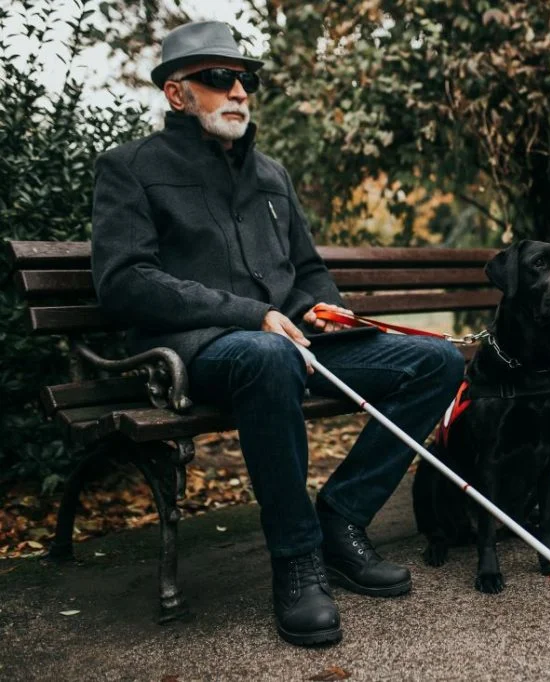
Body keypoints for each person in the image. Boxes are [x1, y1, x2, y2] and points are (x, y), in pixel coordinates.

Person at [90, 21, 465, 646]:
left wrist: (324, 309)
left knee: (436, 361)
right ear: (177, 94)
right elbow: (126, 281)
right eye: (218, 78)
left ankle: (341, 520)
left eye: (246, 79)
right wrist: (248, 314)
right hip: (199, 352)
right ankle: (297, 560)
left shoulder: (271, 175)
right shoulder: (130, 168)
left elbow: (309, 270)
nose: (238, 90)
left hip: (292, 343)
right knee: (267, 356)